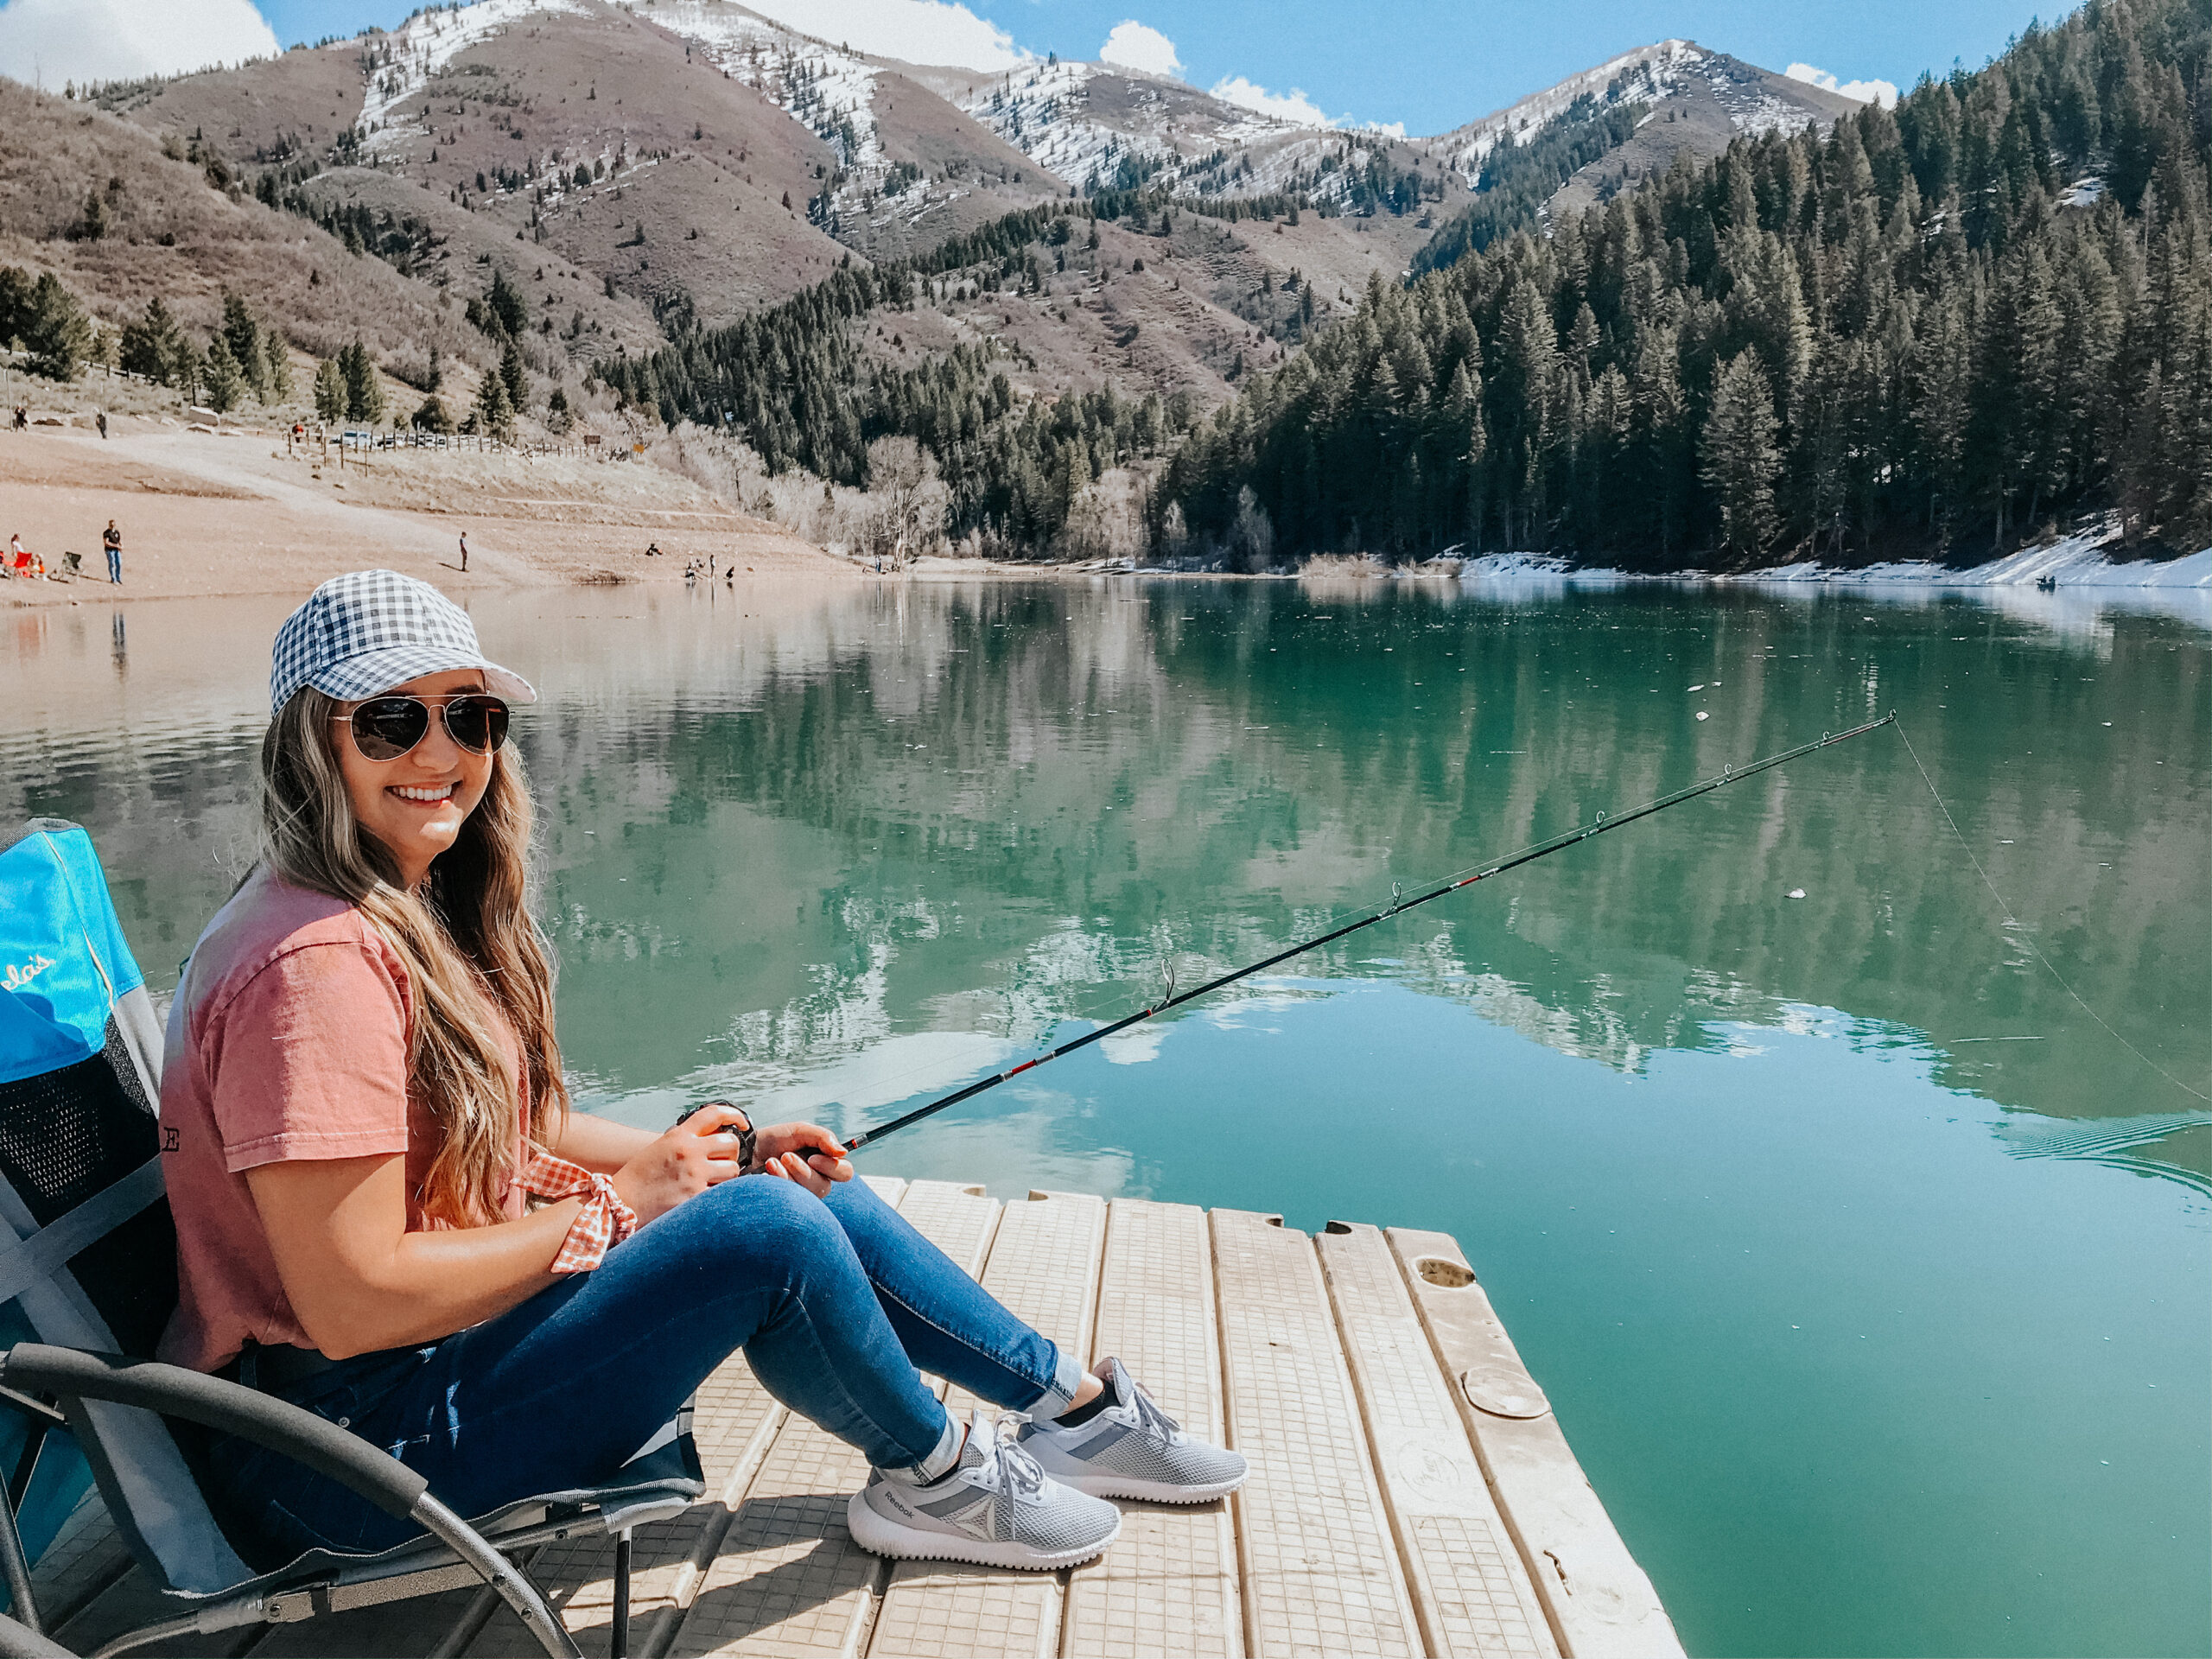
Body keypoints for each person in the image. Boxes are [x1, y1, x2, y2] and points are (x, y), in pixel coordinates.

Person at [157, 570, 1243, 1574]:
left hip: (403, 1390)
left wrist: (725, 1156)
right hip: (341, 1463)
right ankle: (938, 1478)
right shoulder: (314, 967)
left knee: (777, 1189)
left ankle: (1072, 1408)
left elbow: (531, 1124)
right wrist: (626, 1208)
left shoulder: (389, 911)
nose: (440, 752)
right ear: (312, 740)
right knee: (765, 1236)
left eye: (470, 716)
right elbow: (350, 1302)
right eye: (392, 718)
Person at [102, 520, 122, 584]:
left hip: (117, 550)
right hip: (110, 551)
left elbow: (119, 541)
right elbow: (106, 543)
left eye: (113, 525)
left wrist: (121, 546)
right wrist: (116, 546)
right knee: (112, 564)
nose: (112, 526)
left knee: (119, 563)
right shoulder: (107, 533)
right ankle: (113, 579)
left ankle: (118, 578)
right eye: (111, 525)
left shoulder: (117, 532)